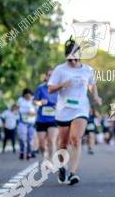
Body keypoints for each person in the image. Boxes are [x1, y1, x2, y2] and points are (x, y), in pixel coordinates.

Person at [48, 39, 101, 185]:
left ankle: (72, 173)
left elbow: (92, 85)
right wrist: (63, 84)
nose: (72, 59)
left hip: (81, 109)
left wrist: (95, 96)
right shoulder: (60, 70)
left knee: (76, 140)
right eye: (69, 55)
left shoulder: (88, 70)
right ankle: (62, 167)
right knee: (63, 143)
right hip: (63, 110)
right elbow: (50, 89)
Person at [34, 69, 59, 161]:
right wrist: (40, 102)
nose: (51, 77)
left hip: (54, 119)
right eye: (49, 75)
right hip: (41, 119)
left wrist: (58, 106)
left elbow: (64, 102)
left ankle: (51, 160)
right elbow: (34, 102)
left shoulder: (59, 89)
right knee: (41, 145)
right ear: (46, 77)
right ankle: (44, 154)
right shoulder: (40, 88)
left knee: (51, 141)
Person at [15, 88, 37, 160]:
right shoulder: (20, 100)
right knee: (22, 137)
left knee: (30, 139)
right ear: (24, 95)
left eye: (29, 96)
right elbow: (17, 109)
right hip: (22, 121)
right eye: (26, 96)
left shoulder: (34, 100)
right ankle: (21, 151)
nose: (28, 97)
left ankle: (29, 153)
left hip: (31, 122)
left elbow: (38, 110)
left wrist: (33, 113)